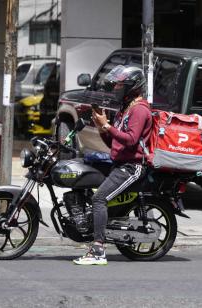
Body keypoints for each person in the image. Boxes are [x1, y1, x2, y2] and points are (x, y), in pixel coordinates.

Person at [73, 65, 152, 266]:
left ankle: (98, 250)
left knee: (99, 198)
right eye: (115, 85)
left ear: (132, 87)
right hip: (119, 162)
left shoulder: (140, 110)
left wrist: (107, 125)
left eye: (119, 85)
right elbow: (114, 144)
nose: (116, 88)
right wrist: (101, 127)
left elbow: (131, 140)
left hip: (133, 167)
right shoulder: (123, 109)